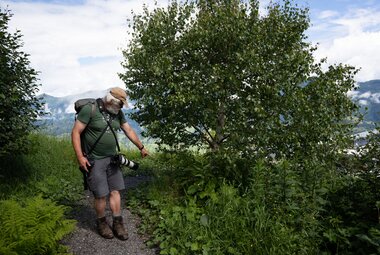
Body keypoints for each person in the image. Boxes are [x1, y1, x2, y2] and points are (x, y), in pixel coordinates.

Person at [71, 87, 148, 240]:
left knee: (115, 191)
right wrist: (80, 157)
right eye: (120, 103)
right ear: (111, 100)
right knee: (100, 195)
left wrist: (141, 147)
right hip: (95, 160)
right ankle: (102, 223)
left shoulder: (118, 112)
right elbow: (75, 132)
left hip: (113, 159)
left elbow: (128, 130)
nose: (121, 107)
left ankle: (118, 223)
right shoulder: (90, 110)